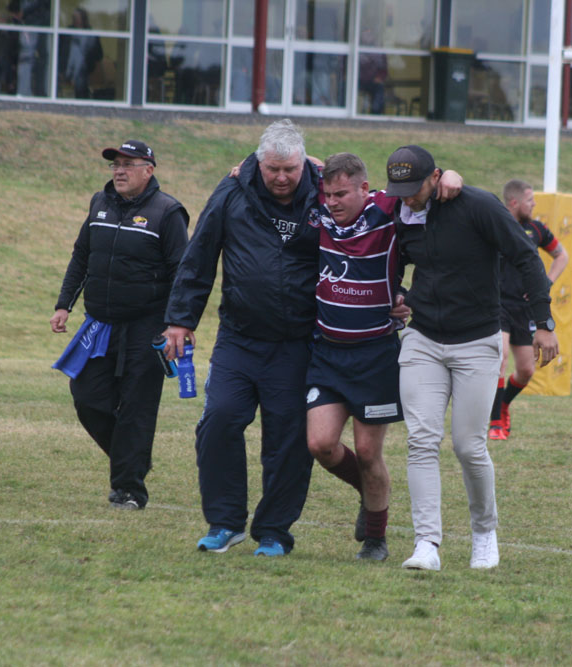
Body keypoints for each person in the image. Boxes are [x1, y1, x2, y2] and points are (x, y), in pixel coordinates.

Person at [389, 146, 558, 571]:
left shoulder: (479, 206)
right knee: (421, 440)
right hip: (423, 338)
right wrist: (397, 294)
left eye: (413, 189)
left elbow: (526, 257)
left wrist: (543, 322)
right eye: (399, 190)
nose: (406, 198)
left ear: (435, 178)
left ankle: (484, 534)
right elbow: (392, 257)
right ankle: (426, 544)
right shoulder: (399, 210)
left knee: (468, 446)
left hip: (477, 340)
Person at [161, 119, 324, 558]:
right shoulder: (231, 191)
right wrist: (180, 319)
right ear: (257, 162)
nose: (282, 178)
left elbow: (371, 220)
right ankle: (225, 523)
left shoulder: (325, 192)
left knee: (288, 438)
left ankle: (274, 531)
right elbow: (199, 255)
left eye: (290, 169)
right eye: (273, 169)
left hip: (297, 344)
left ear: (304, 164)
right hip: (239, 339)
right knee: (219, 421)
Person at [305, 153, 463, 562]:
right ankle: (368, 489)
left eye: (341, 194)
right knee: (321, 444)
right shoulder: (319, 208)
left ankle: (376, 540)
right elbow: (290, 158)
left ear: (364, 188)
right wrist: (245, 167)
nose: (332, 202)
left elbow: (431, 186)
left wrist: (451, 174)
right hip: (327, 352)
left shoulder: (387, 208)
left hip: (375, 354)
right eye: (328, 194)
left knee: (368, 452)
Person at [50, 140, 190, 510]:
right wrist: (64, 304)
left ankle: (129, 490)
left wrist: (178, 322)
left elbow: (183, 272)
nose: (119, 171)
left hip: (147, 327)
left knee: (136, 409)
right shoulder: (99, 203)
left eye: (128, 164)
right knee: (87, 397)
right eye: (115, 165)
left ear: (149, 170)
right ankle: (134, 459)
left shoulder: (168, 212)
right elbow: (82, 255)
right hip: (101, 324)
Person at [488, 180, 568, 441]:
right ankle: (495, 422)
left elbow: (562, 255)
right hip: (498, 305)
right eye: (530, 200)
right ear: (514, 202)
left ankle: (503, 404)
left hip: (525, 309)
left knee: (526, 371)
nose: (534, 204)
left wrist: (545, 284)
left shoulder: (536, 229)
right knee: (500, 358)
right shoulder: (496, 225)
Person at [61, 7, 102, 99]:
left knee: (80, 86)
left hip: (84, 69)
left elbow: (98, 54)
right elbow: (61, 50)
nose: (75, 20)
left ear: (83, 19)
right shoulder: (67, 32)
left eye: (77, 18)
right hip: (67, 68)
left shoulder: (90, 34)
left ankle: (81, 100)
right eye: (73, 18)